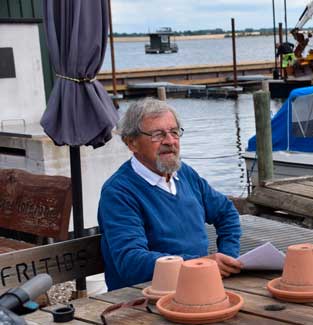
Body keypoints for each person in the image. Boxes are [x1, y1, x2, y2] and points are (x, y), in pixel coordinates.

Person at [98, 98, 242, 291]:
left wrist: (228, 256)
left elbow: (226, 212)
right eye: (158, 135)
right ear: (131, 143)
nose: (170, 141)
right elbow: (131, 262)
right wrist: (199, 264)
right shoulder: (118, 192)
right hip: (143, 297)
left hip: (199, 283)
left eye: (174, 132)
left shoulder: (185, 174)